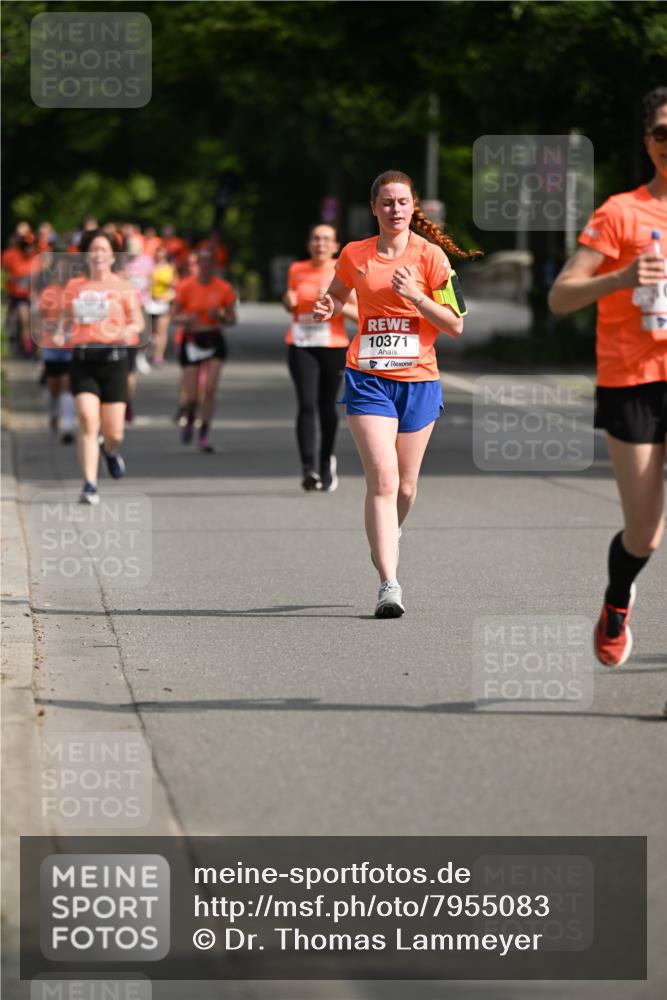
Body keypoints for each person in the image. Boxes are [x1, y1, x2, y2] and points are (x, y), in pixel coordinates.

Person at [313, 169, 479, 617]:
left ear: (413, 207)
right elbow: (336, 294)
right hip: (367, 378)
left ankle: (389, 532)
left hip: (420, 379)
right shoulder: (354, 254)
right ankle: (389, 583)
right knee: (383, 479)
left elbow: (456, 325)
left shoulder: (433, 258)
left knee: (406, 486)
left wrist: (417, 297)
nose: (395, 209)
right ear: (374, 208)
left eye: (403, 202)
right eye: (386, 202)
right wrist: (327, 305)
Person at [548, 86, 667, 667]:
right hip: (634, 380)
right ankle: (617, 598)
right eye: (662, 132)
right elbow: (561, 297)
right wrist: (619, 279)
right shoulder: (620, 213)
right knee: (644, 535)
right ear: (648, 141)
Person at [62, 230, 144, 505]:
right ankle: (89, 484)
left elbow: (138, 323)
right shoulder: (74, 286)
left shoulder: (124, 287)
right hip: (84, 360)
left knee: (115, 432)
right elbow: (62, 322)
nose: (98, 255)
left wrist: (126, 332)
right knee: (87, 418)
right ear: (86, 255)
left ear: (113, 256)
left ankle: (109, 451)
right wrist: (62, 333)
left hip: (114, 361)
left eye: (103, 250)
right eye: (93, 249)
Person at [283, 224, 358, 491]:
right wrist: (288, 302)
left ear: (336, 245)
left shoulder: (344, 270)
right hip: (301, 343)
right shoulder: (296, 269)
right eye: (316, 238)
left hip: (333, 345)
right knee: (306, 404)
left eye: (326, 239)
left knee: (326, 407)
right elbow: (292, 305)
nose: (320, 243)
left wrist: (333, 303)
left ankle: (326, 460)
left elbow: (360, 315)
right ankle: (308, 469)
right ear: (308, 243)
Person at [171, 246, 237, 452]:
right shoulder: (185, 286)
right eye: (202, 261)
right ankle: (190, 418)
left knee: (209, 390)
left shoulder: (224, 288)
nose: (206, 265)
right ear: (197, 264)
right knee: (191, 396)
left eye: (210, 261)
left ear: (215, 265)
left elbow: (232, 318)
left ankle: (203, 435)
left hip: (214, 339)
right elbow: (174, 316)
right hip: (192, 339)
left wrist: (220, 317)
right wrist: (186, 319)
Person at [147, 244, 176, 366]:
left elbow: (175, 283)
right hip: (151, 301)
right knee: (151, 333)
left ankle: (158, 356)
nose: (159, 255)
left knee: (162, 331)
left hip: (164, 301)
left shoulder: (170, 267)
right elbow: (146, 283)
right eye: (158, 252)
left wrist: (168, 283)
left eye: (162, 253)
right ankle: (150, 351)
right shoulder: (151, 267)